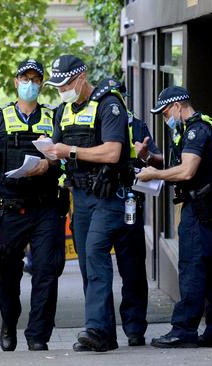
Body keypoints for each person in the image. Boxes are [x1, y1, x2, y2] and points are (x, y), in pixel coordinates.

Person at [0, 60, 66, 352]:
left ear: (41, 84)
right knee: (7, 274)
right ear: (16, 82)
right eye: (25, 78)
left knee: (47, 272)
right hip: (10, 209)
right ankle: (9, 323)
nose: (31, 84)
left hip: (46, 208)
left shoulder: (54, 118)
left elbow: (65, 159)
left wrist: (48, 164)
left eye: (36, 79)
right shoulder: (0, 120)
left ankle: (38, 334)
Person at [43, 55, 132, 352]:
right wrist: (42, 158)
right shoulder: (63, 111)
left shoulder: (109, 104)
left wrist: (70, 151)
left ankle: (94, 328)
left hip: (107, 195)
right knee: (86, 262)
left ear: (81, 78)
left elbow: (113, 152)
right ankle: (104, 334)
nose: (61, 91)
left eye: (65, 84)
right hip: (79, 197)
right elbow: (55, 149)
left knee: (95, 253)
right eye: (56, 86)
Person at [71, 79, 163, 351]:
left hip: (128, 201)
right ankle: (102, 331)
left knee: (132, 268)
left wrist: (145, 155)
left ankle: (135, 329)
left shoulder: (135, 122)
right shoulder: (96, 120)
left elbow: (158, 158)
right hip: (100, 199)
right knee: (94, 260)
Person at [137, 86, 212, 348]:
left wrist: (153, 175)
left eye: (165, 113)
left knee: (192, 270)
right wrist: (152, 158)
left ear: (177, 106)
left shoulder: (197, 130)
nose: (165, 118)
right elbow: (179, 162)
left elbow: (186, 171)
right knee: (209, 272)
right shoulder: (192, 129)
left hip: (200, 208)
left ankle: (183, 331)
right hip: (206, 205)